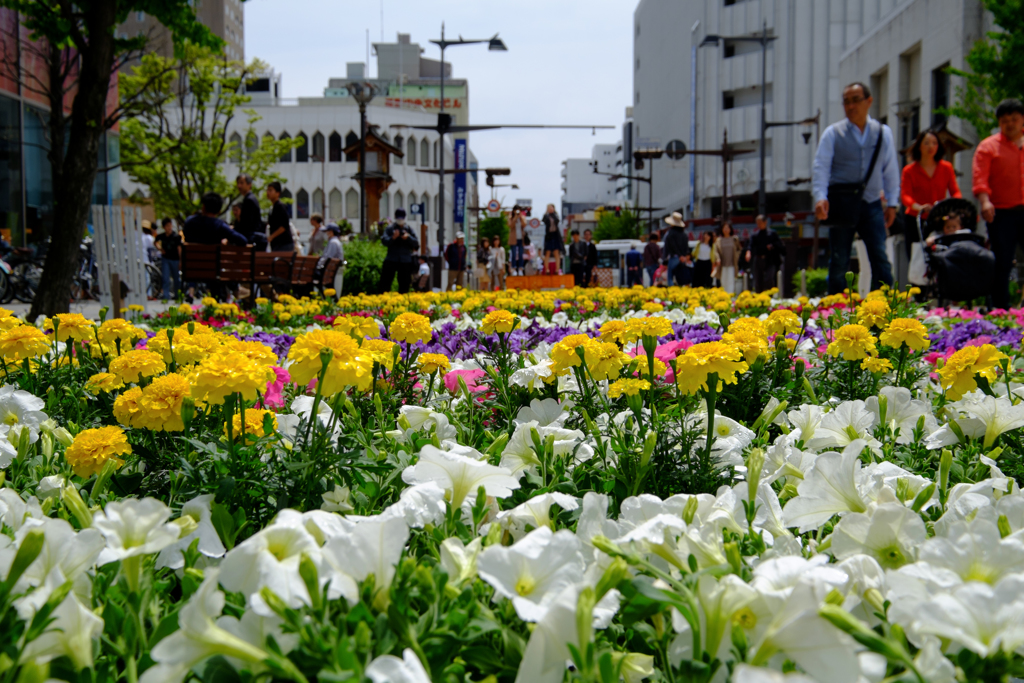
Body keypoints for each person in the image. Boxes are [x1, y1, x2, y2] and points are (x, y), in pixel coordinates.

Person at [812, 81, 899, 294]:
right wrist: (820, 197)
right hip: (841, 203)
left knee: (880, 255)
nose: (851, 106)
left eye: (856, 100)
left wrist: (893, 202)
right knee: (840, 259)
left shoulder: (882, 132)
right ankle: (836, 307)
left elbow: (890, 169)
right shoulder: (833, 133)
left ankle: (885, 304)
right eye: (846, 102)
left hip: (871, 203)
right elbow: (821, 167)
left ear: (869, 101)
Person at [972, 98, 1024, 310]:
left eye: (1014, 119)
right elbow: (980, 178)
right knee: (1002, 262)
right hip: (1001, 213)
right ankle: (1000, 310)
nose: (1010, 124)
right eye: (1005, 120)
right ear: (999, 122)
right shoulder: (988, 147)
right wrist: (985, 201)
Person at [900, 130, 961, 255]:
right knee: (916, 256)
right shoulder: (909, 171)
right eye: (926, 143)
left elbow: (955, 192)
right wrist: (918, 207)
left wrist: (951, 207)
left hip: (938, 219)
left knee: (939, 253)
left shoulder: (946, 168)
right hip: (915, 219)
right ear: (919, 146)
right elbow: (905, 195)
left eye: (934, 143)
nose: (931, 146)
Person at [378, 208, 419, 293]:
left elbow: (416, 243)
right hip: (391, 258)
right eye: (398, 218)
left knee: (405, 284)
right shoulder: (390, 228)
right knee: (385, 283)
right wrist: (393, 237)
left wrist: (408, 237)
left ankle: (403, 302)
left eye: (402, 218)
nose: (400, 220)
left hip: (405, 260)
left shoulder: (409, 229)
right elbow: (384, 241)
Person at [183, 193, 249, 245]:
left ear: (203, 207)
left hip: (191, 261)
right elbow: (243, 240)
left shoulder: (189, 221)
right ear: (219, 211)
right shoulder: (220, 225)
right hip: (213, 261)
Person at [745, 215, 784, 292]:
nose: (759, 225)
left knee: (769, 278)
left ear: (765, 222)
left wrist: (772, 246)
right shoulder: (755, 235)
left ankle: (769, 296)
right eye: (757, 223)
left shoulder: (772, 233)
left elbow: (779, 245)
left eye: (760, 222)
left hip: (770, 259)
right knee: (758, 279)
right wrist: (748, 252)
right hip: (758, 259)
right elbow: (750, 245)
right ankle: (759, 297)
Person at [234, 174, 266, 248]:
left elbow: (246, 223)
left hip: (250, 238)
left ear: (249, 184)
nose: (239, 186)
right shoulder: (250, 198)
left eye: (242, 183)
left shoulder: (249, 200)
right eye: (238, 183)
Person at [156, 218, 182, 299]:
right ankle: (166, 295)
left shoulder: (176, 236)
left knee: (176, 278)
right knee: (165, 277)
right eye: (167, 226)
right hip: (166, 258)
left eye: (170, 225)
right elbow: (155, 242)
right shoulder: (162, 236)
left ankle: (177, 295)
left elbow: (179, 249)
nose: (169, 227)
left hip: (175, 259)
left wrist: (180, 260)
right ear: (164, 227)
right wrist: (160, 249)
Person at [265, 181, 294, 253]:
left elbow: (284, 226)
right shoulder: (273, 207)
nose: (268, 192)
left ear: (277, 193)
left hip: (284, 244)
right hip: (277, 244)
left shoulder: (280, 206)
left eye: (270, 190)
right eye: (267, 190)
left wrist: (271, 237)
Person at [713, 222, 742, 294]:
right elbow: (716, 251)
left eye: (727, 228)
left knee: (731, 280)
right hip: (722, 264)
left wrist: (736, 256)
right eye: (724, 228)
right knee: (723, 281)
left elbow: (739, 249)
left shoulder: (734, 239)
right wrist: (718, 259)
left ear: (730, 229)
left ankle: (730, 296)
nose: (726, 230)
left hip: (732, 263)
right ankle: (724, 296)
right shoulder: (719, 240)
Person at [662, 212, 688, 286]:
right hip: (682, 258)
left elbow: (671, 246)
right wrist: (683, 256)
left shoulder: (670, 233)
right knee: (680, 275)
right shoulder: (684, 234)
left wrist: (664, 258)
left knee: (670, 276)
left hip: (674, 257)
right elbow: (686, 246)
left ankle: (672, 291)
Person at [542, 203, 563, 274]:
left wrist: (553, 214)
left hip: (555, 235)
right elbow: (544, 220)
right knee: (547, 252)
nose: (550, 209)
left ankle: (557, 269)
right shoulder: (546, 216)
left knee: (556, 252)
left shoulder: (555, 216)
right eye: (549, 208)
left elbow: (557, 221)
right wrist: (546, 213)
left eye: (551, 208)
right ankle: (547, 269)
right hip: (549, 235)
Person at [508, 205, 527, 276]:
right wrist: (515, 218)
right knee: (513, 254)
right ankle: (513, 268)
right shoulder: (510, 217)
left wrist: (520, 218)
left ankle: (520, 269)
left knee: (521, 254)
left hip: (521, 238)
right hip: (513, 238)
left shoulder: (522, 217)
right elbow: (510, 225)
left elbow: (524, 225)